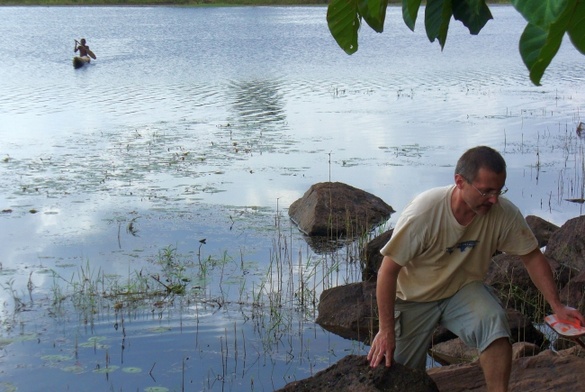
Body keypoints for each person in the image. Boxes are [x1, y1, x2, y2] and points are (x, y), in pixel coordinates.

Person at [366, 146, 585, 392]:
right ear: (460, 181)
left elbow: (533, 258)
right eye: (486, 191)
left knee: (494, 322)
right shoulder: (425, 213)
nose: (493, 199)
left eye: (499, 191)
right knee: (401, 374)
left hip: (462, 290)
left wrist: (557, 306)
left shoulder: (502, 212)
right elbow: (387, 271)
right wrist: (385, 330)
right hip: (413, 299)